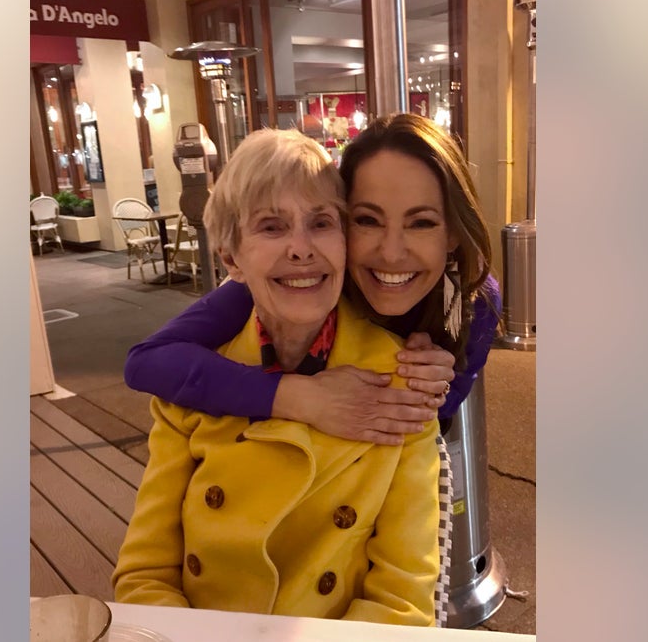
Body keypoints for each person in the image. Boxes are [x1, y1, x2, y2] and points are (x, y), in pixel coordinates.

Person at [112, 128, 440, 625]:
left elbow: (401, 599)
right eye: (271, 226)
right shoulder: (187, 386)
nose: (301, 249)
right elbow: (144, 576)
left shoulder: (401, 383)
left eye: (322, 222)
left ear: (345, 243)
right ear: (230, 258)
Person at [125, 113, 499, 444]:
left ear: (452, 233)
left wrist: (430, 387)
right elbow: (148, 361)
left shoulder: (476, 303)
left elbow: (434, 421)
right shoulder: (311, 279)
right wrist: (296, 396)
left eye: (421, 223)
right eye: (367, 220)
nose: (391, 252)